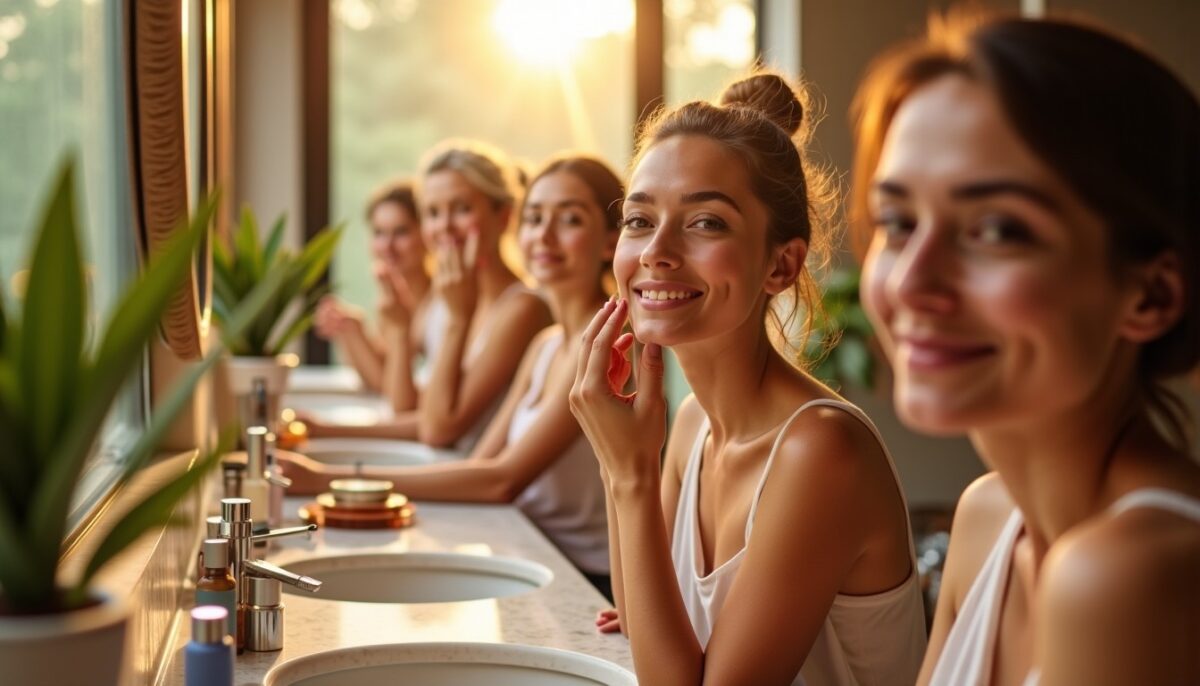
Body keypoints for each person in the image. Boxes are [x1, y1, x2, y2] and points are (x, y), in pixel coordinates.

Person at [852, 13, 1200, 686]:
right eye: (897, 223)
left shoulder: (1132, 576)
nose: (913, 283)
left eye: (996, 229)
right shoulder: (987, 517)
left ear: (1151, 295)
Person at [570, 72, 926, 685]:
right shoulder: (690, 426)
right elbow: (637, 614)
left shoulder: (819, 450)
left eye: (705, 222)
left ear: (781, 264)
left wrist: (628, 473)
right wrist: (618, 457)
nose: (657, 249)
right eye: (638, 219)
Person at [283, 153, 624, 595]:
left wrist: (327, 477)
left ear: (611, 241)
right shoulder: (547, 346)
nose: (544, 235)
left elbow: (497, 476)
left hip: (585, 581)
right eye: (536, 218)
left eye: (571, 219)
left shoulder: (605, 345)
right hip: (527, 547)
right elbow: (480, 463)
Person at [306, 139, 552, 449]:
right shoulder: (442, 297)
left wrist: (326, 431)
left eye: (462, 209)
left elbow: (440, 429)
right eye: (433, 213)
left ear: (504, 216)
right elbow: (404, 405)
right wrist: (397, 330)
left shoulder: (523, 308)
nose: (445, 227)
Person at [313, 179, 434, 405]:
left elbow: (392, 391)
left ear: (426, 233)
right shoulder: (392, 297)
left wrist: (356, 334)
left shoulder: (441, 302)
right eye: (378, 233)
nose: (387, 246)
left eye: (401, 232)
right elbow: (382, 379)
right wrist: (350, 330)